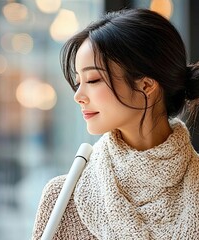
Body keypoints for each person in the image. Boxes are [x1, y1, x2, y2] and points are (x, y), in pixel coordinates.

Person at [32, 8, 199, 239]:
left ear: (146, 86)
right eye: (78, 81)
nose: (78, 95)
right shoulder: (62, 198)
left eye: (92, 79)